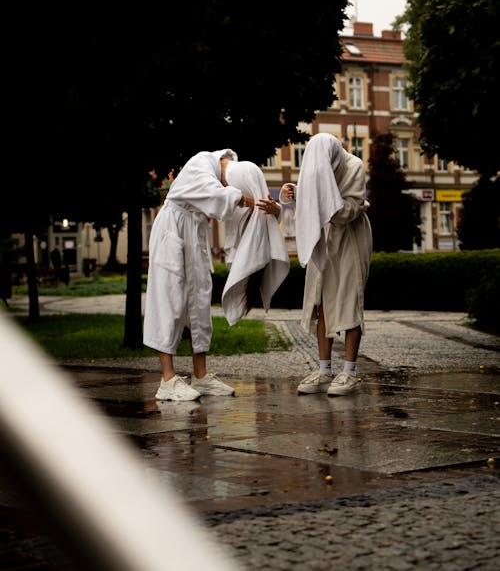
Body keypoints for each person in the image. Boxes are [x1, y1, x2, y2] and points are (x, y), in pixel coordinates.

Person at [143, 148, 275, 403]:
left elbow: (227, 204)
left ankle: (200, 377)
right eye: (230, 184)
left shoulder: (220, 176)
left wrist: (267, 205)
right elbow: (218, 196)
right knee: (168, 299)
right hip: (173, 231)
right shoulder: (200, 162)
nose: (227, 186)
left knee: (200, 302)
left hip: (194, 233)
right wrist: (249, 200)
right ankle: (167, 380)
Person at [280, 132, 372, 396]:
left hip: (350, 239)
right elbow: (313, 195)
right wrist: (297, 193)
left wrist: (321, 203)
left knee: (349, 298)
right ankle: (324, 370)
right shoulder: (316, 166)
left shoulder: (353, 165)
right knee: (320, 301)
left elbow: (350, 210)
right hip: (323, 238)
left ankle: (350, 372)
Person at [222, 160, 289, 324]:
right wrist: (246, 201)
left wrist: (276, 209)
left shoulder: (244, 175)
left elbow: (262, 208)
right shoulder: (229, 174)